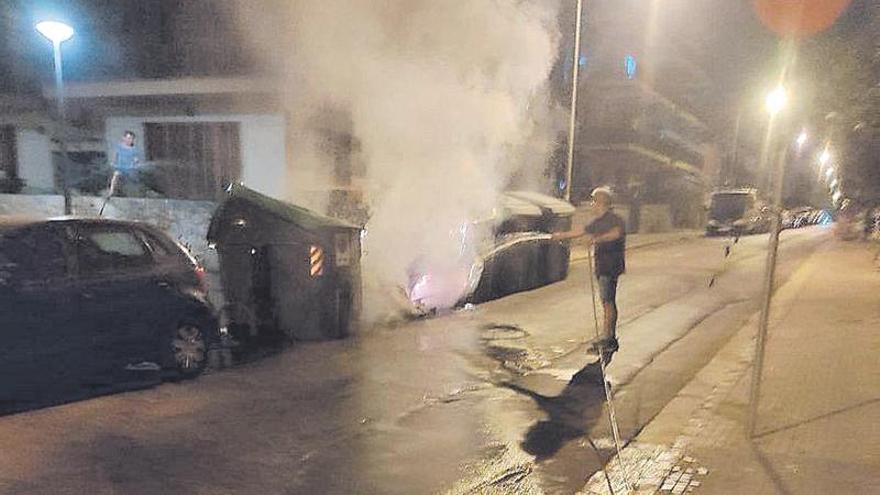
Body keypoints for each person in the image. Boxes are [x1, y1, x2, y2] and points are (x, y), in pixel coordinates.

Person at [553, 186, 626, 352]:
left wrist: (595, 239)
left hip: (610, 266)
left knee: (608, 302)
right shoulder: (598, 221)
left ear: (600, 202)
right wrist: (559, 236)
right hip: (603, 267)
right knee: (606, 301)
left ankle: (609, 339)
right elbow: (581, 231)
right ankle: (608, 336)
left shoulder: (614, 220)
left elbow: (615, 234)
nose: (592, 205)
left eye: (593, 201)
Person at [107, 130, 140, 197]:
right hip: (120, 167)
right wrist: (113, 163)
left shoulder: (133, 149)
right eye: (128, 138)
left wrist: (136, 163)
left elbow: (136, 159)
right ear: (124, 138)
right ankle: (111, 191)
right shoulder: (119, 147)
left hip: (129, 168)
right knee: (116, 175)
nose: (129, 140)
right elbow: (115, 156)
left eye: (131, 139)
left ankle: (134, 191)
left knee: (134, 178)